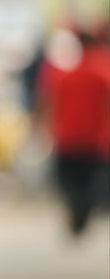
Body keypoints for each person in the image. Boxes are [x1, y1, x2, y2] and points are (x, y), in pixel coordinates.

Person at [36, 21, 110, 236]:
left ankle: (79, 210)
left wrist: (45, 130)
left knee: (70, 183)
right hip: (96, 141)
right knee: (91, 182)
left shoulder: (63, 75)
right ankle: (85, 208)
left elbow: (48, 103)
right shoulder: (103, 72)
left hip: (67, 139)